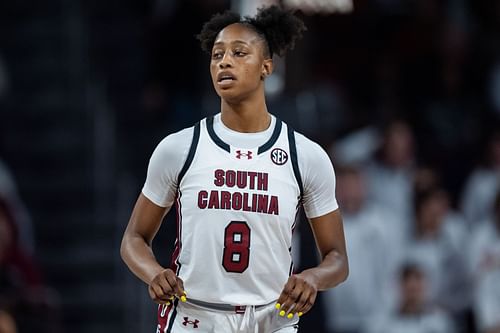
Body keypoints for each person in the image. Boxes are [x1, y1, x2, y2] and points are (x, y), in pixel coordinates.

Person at [120, 5, 348, 333]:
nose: (224, 61)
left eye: (239, 53)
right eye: (217, 55)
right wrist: (153, 272)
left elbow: (337, 258)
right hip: (194, 314)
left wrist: (313, 277)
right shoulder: (180, 148)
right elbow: (133, 238)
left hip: (272, 317)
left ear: (266, 66)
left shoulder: (305, 155)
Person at [363, 262, 455, 333]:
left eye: (416, 289)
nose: (412, 293)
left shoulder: (439, 324)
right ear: (397, 286)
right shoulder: (380, 325)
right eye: (408, 288)